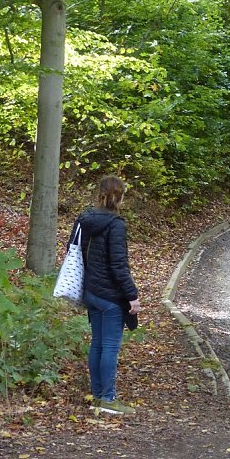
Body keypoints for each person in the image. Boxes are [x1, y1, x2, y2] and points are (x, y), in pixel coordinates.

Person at [72, 175, 140, 415]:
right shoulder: (115, 224)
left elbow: (75, 252)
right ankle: (108, 400)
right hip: (110, 296)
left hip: (91, 292)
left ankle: (98, 396)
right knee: (110, 346)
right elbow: (119, 265)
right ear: (119, 197)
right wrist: (132, 296)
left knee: (98, 344)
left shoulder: (84, 219)